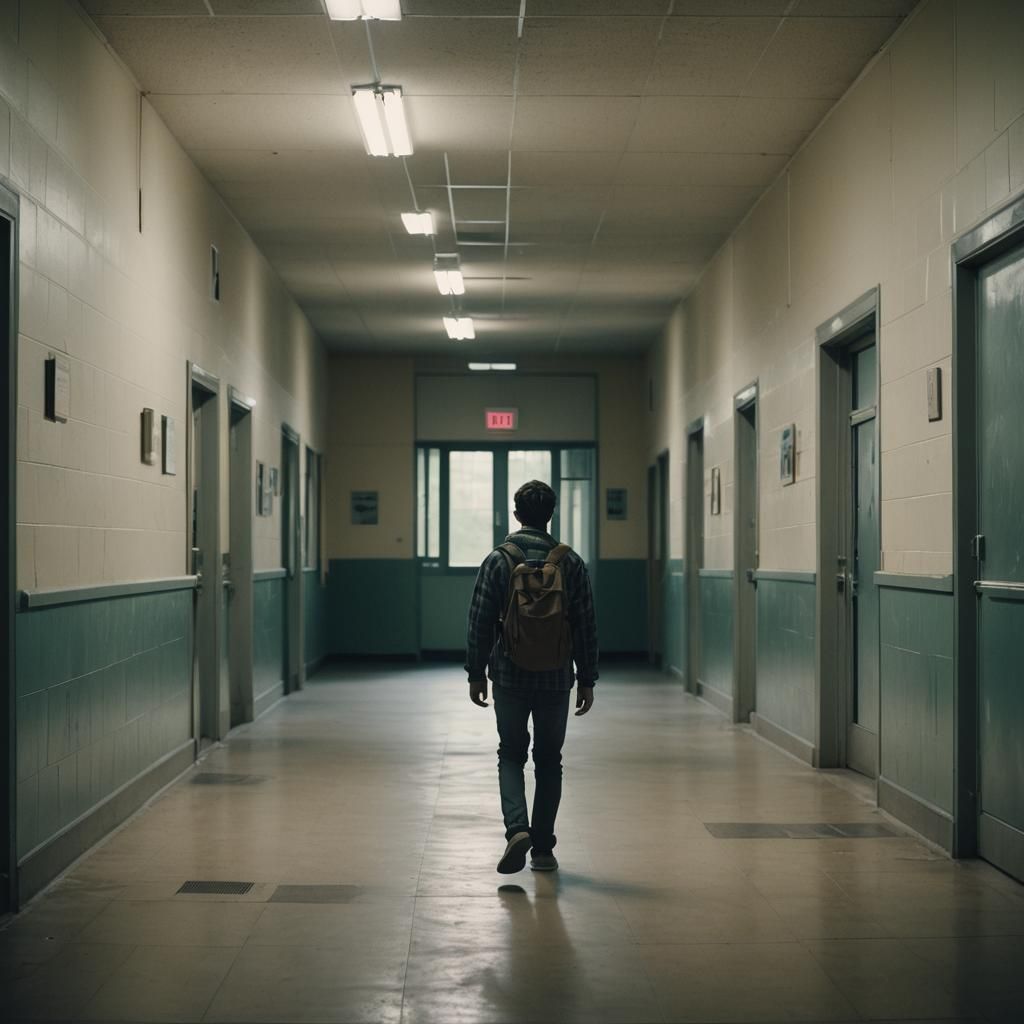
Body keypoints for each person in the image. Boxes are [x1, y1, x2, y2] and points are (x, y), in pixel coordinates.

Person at [465, 479, 599, 874]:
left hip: (508, 673)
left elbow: (479, 620)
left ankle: (516, 829)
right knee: (548, 760)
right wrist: (587, 677)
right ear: (551, 515)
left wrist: (476, 673)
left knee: (510, 752)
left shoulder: (498, 559)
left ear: (517, 514)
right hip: (556, 677)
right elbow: (586, 625)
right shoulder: (570, 562)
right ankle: (543, 849)